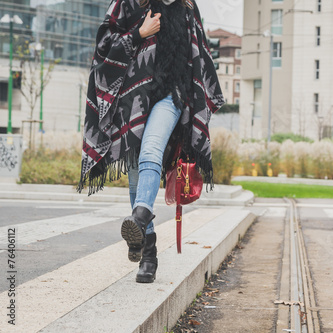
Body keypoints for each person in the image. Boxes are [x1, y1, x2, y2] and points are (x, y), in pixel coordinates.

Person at [78, 0, 224, 284]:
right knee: (136, 175)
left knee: (151, 150)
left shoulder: (187, 8)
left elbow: (200, 59)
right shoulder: (129, 4)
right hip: (131, 102)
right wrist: (139, 34)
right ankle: (149, 251)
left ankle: (141, 217)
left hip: (171, 97)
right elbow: (103, 48)